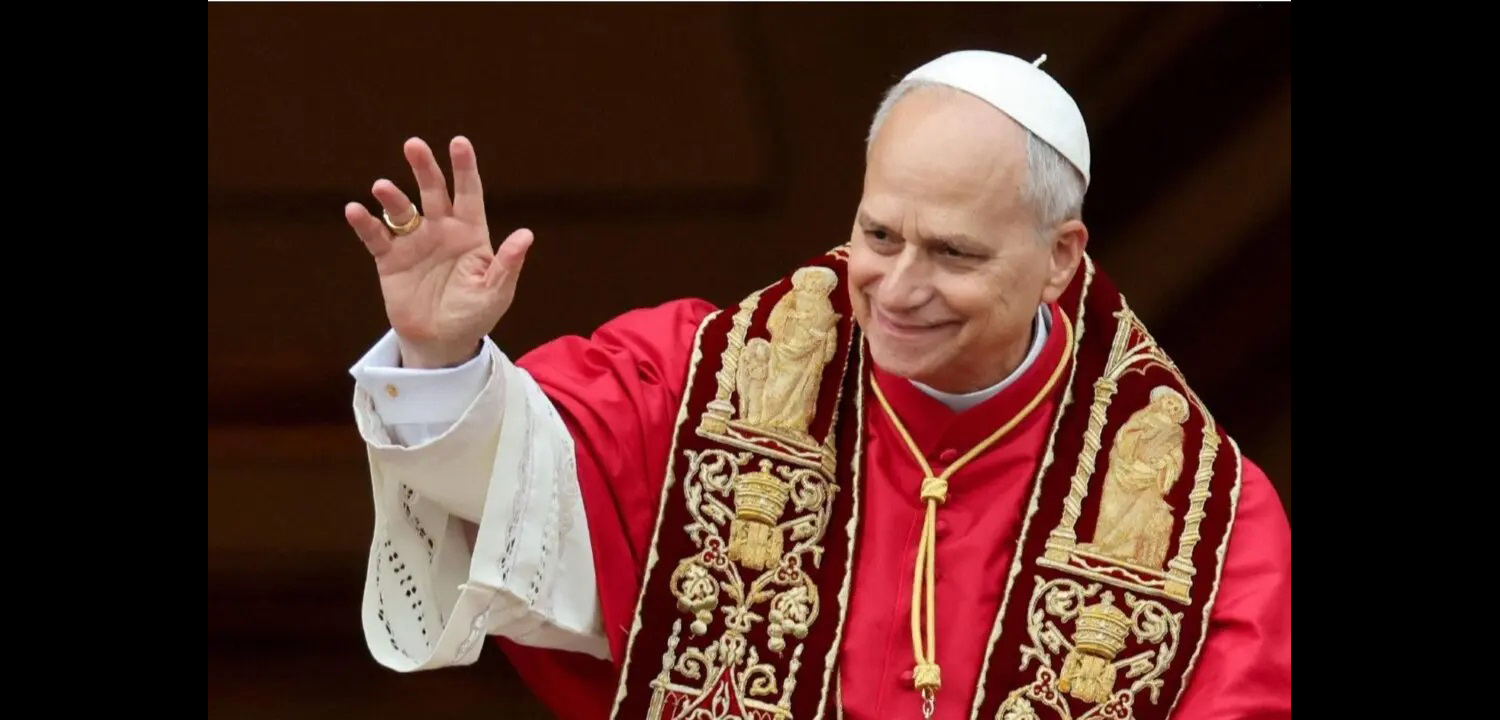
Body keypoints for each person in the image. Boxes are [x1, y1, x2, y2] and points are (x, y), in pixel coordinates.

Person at [341, 50, 1291, 720]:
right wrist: (441, 355)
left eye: (953, 253)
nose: (899, 288)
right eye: (880, 235)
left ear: (1060, 258)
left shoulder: (1208, 526)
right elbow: (523, 496)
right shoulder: (710, 381)